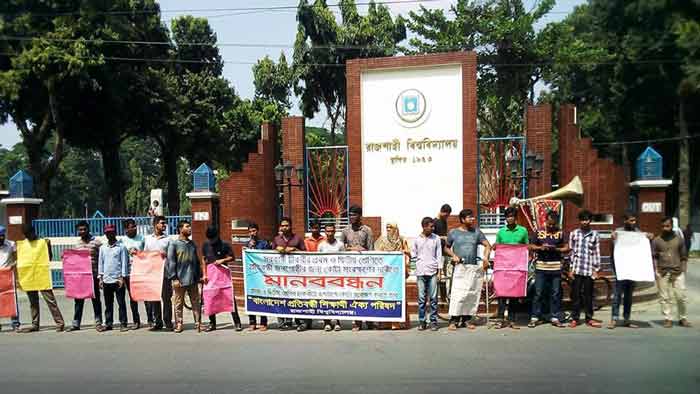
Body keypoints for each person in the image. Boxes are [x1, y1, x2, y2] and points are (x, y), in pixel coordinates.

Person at [442, 209, 491, 330]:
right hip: (459, 268)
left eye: (473, 217)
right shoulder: (454, 232)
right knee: (457, 293)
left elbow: (487, 245)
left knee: (470, 293)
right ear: (462, 219)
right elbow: (446, 248)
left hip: (473, 268)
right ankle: (454, 320)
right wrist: (453, 256)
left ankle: (467, 319)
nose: (472, 219)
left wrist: (485, 258)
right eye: (469, 217)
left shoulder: (477, 232)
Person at [608, 211, 653, 329]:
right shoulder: (618, 232)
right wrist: (612, 239)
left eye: (634, 220)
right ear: (625, 221)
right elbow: (613, 250)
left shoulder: (638, 233)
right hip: (620, 269)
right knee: (617, 295)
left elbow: (642, 248)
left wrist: (649, 239)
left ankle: (626, 319)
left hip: (632, 270)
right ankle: (614, 318)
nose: (634, 223)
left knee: (628, 296)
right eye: (631, 220)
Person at [17, 224, 65, 333]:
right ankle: (35, 324)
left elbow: (49, 258)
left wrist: (47, 247)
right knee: (33, 302)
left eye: (29, 234)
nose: (28, 236)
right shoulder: (22, 245)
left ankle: (60, 323)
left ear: (34, 232)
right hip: (29, 276)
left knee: (50, 300)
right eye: (26, 235)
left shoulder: (43, 242)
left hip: (41, 276)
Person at [528, 211, 569, 328]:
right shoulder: (539, 232)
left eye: (553, 224)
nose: (551, 226)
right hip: (541, 267)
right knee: (538, 293)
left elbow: (567, 247)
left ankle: (554, 317)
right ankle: (535, 317)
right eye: (549, 224)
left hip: (556, 267)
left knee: (555, 293)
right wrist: (541, 247)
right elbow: (530, 246)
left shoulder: (560, 233)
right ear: (546, 220)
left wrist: (556, 249)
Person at [652, 216, 691, 328]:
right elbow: (654, 256)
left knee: (681, 296)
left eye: (667, 226)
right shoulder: (657, 240)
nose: (665, 228)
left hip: (678, 271)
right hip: (662, 271)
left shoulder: (679, 239)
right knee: (664, 297)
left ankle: (682, 318)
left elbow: (684, 256)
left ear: (672, 226)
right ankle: (668, 318)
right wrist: (656, 270)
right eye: (663, 226)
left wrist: (683, 270)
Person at [202, 225, 242, 332]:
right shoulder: (206, 244)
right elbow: (204, 259)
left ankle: (237, 322)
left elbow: (232, 257)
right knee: (210, 298)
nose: (211, 241)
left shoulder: (224, 244)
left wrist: (222, 260)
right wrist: (204, 274)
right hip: (210, 276)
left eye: (213, 239)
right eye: (209, 239)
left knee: (229, 298)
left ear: (217, 236)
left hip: (223, 275)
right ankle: (212, 323)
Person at [493, 207, 529, 329]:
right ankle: (500, 319)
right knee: (502, 295)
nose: (510, 218)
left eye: (512, 216)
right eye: (508, 216)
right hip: (503, 267)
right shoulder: (501, 232)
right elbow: (497, 247)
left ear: (516, 217)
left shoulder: (523, 231)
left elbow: (526, 247)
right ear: (506, 218)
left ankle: (512, 320)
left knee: (514, 295)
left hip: (517, 268)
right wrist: (495, 248)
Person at [341, 205, 375, 331]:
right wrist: (352, 249)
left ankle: (370, 321)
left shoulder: (367, 230)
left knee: (367, 294)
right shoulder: (345, 230)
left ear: (360, 216)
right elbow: (341, 248)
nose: (352, 217)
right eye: (350, 214)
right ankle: (357, 321)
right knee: (355, 295)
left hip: (365, 267)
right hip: (351, 268)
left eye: (354, 214)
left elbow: (371, 250)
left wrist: (363, 250)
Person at [67, 220, 103, 332]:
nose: (82, 231)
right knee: (78, 300)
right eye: (80, 230)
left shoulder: (96, 243)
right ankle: (76, 323)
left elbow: (103, 257)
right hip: (81, 277)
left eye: (84, 229)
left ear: (88, 229)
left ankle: (98, 322)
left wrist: (101, 275)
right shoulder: (77, 244)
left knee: (96, 300)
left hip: (93, 275)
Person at [374, 221, 411, 330]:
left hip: (398, 274)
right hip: (386, 274)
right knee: (385, 297)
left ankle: (399, 322)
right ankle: (385, 322)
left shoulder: (402, 239)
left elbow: (409, 252)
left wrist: (402, 253)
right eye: (387, 227)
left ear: (395, 228)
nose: (388, 229)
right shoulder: (382, 240)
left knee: (399, 297)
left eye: (391, 227)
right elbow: (377, 254)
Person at [568, 209, 602, 328]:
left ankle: (589, 318)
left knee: (588, 295)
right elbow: (571, 252)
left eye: (587, 219)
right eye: (582, 220)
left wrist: (596, 269)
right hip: (577, 268)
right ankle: (575, 318)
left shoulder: (595, 235)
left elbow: (596, 252)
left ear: (590, 221)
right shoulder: (574, 234)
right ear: (579, 221)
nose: (584, 222)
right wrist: (570, 269)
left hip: (589, 269)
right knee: (575, 295)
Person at [167, 220, 203, 333]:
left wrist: (199, 276)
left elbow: (197, 262)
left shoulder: (192, 244)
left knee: (196, 302)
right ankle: (179, 324)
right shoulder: (174, 244)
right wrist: (174, 278)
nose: (189, 229)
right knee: (178, 303)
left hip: (193, 279)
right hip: (179, 280)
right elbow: (171, 262)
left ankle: (198, 323)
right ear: (180, 229)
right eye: (187, 227)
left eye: (189, 227)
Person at [271, 217, 306, 331]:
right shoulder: (276, 239)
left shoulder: (298, 238)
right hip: (280, 275)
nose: (284, 227)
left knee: (296, 297)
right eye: (282, 225)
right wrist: (277, 250)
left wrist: (295, 250)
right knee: (281, 297)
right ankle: (284, 322)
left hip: (295, 274)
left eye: (286, 225)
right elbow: (268, 255)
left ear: (290, 226)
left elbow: (305, 254)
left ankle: (299, 321)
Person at [412, 217, 442, 331]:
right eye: (431, 226)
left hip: (433, 271)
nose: (433, 228)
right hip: (420, 271)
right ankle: (422, 321)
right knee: (421, 299)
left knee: (433, 298)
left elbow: (439, 255)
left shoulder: (436, 239)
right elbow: (414, 255)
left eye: (433, 226)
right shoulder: (417, 239)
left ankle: (433, 321)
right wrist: (414, 268)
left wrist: (440, 271)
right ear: (424, 226)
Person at [98, 225, 129, 332]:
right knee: (108, 304)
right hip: (106, 279)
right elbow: (101, 263)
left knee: (121, 303)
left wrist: (122, 277)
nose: (109, 235)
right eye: (107, 233)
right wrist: (100, 278)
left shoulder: (121, 247)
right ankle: (108, 323)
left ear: (115, 233)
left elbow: (124, 263)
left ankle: (123, 323)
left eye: (111, 232)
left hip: (118, 279)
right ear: (105, 234)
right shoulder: (102, 248)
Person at [144, 216, 173, 331]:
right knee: (154, 298)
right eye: (162, 223)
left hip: (165, 273)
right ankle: (158, 322)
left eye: (165, 223)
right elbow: (145, 255)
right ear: (155, 224)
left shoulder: (168, 239)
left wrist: (165, 255)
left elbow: (172, 256)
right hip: (152, 273)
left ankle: (168, 321)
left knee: (166, 298)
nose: (164, 225)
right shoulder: (148, 239)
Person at [318, 223, 345, 331]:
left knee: (337, 300)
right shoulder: (321, 245)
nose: (329, 233)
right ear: (325, 232)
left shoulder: (340, 245)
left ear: (335, 232)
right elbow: (317, 261)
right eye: (327, 231)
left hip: (337, 277)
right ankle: (327, 322)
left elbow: (345, 260)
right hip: (324, 278)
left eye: (331, 231)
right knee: (325, 300)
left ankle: (337, 322)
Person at [245, 222, 271, 331]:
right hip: (251, 276)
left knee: (262, 298)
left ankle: (263, 322)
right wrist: (247, 250)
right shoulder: (248, 244)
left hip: (262, 276)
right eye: (250, 231)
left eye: (254, 231)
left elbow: (269, 257)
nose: (252, 233)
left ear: (258, 231)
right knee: (251, 298)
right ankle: (252, 322)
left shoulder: (263, 243)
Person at [120, 218, 144, 329]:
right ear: (126, 229)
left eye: (135, 226)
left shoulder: (142, 239)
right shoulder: (122, 241)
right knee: (132, 298)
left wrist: (138, 253)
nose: (134, 228)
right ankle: (136, 320)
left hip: (140, 272)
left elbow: (147, 253)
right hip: (128, 273)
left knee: (145, 296)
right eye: (131, 227)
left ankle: (150, 319)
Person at [0, 226, 20, 332]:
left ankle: (15, 323)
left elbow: (16, 258)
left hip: (7, 275)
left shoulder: (11, 244)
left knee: (11, 299)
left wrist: (14, 266)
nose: (0, 238)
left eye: (2, 236)